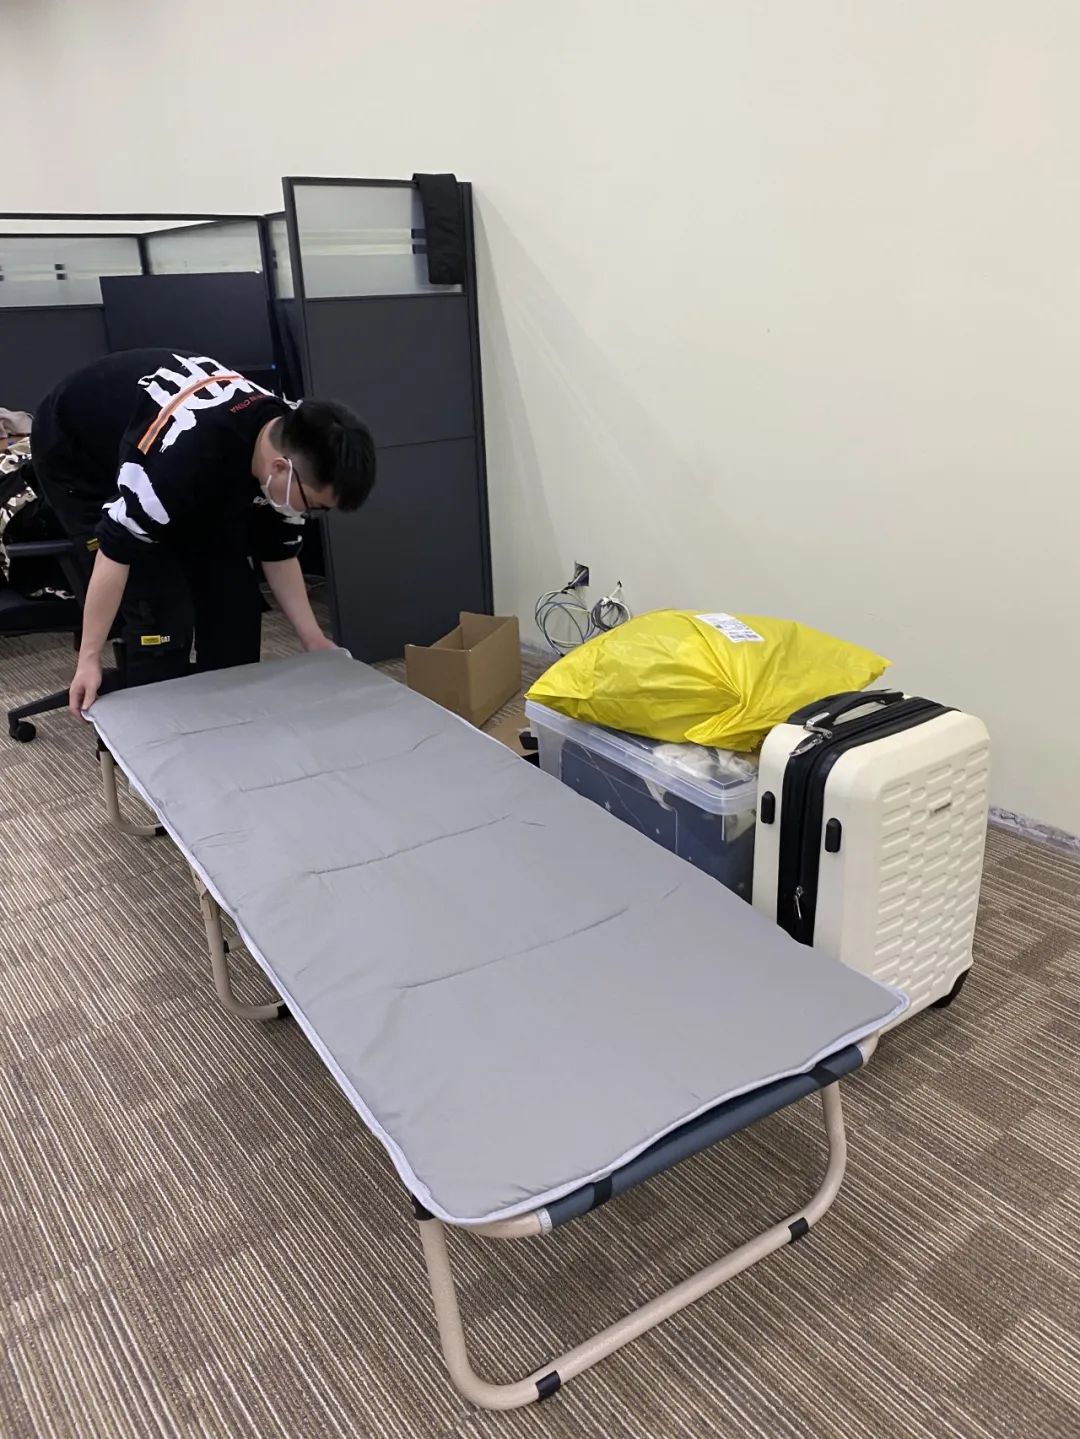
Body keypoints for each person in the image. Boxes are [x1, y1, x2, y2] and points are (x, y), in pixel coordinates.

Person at [30, 350, 376, 716]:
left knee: (236, 603)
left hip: (187, 455)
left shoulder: (289, 440)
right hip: (76, 450)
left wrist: (313, 639)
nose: (309, 514)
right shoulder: (178, 461)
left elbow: (279, 551)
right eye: (313, 505)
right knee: (160, 612)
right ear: (280, 468)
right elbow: (115, 551)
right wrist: (88, 659)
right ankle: (155, 732)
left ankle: (229, 719)